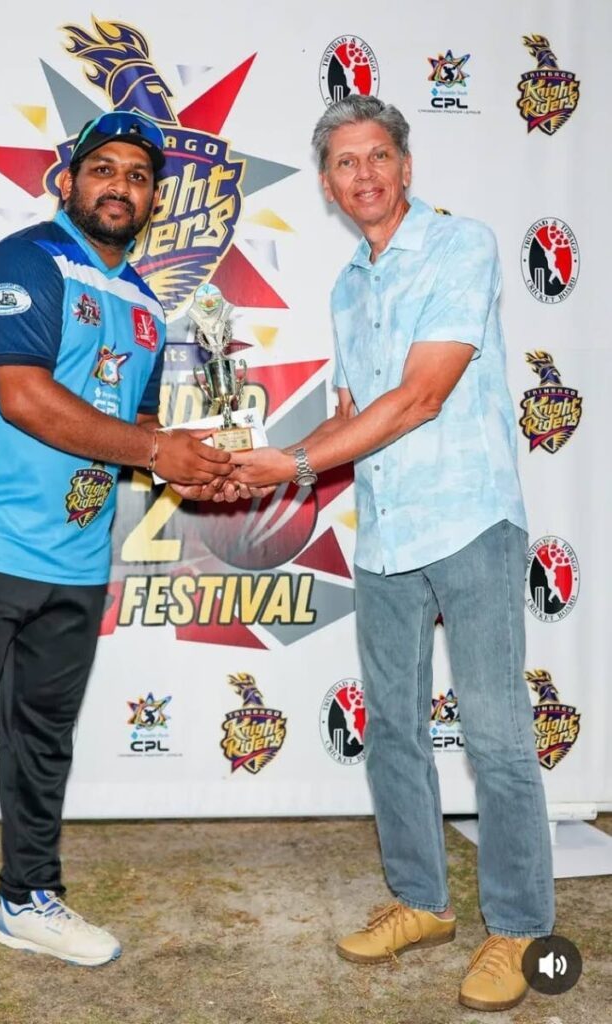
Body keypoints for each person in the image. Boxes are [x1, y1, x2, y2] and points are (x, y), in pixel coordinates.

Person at [0, 110, 231, 1009]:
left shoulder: (150, 307)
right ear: (66, 180)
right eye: (102, 169)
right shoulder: (24, 262)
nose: (119, 185)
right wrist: (159, 455)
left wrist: (204, 455)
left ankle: (26, 899)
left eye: (137, 176)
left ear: (155, 198)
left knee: (42, 740)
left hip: (77, 556)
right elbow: (26, 400)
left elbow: (138, 429)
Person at [228, 95, 554, 1012]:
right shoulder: (346, 286)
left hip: (470, 519)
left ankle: (520, 926)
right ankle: (420, 901)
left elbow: (418, 399)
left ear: (405, 166)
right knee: (393, 732)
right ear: (328, 185)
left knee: (494, 735)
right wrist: (265, 457)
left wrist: (286, 462)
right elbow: (356, 414)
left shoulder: (463, 246)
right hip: (386, 530)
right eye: (343, 162)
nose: (362, 174)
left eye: (378, 156)